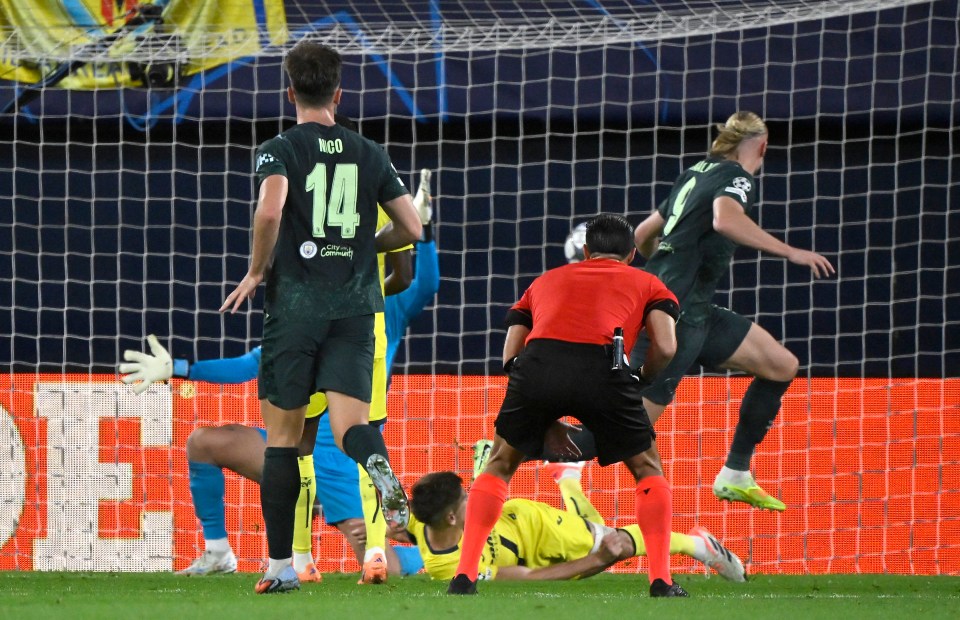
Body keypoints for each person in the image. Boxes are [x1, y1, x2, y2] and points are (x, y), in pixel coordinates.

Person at [122, 167, 439, 586]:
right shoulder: (370, 290)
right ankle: (222, 551)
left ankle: (308, 563)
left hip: (332, 461)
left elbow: (417, 284)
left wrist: (261, 273)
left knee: (294, 452)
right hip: (346, 443)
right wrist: (421, 229)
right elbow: (412, 278)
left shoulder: (311, 252)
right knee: (207, 442)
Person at [219, 41, 422, 593]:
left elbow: (269, 208)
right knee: (352, 427)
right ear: (338, 92)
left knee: (284, 441)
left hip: (297, 309)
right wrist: (364, 247)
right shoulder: (369, 151)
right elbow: (412, 229)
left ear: (290, 92)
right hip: (356, 309)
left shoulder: (280, 148)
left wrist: (258, 270)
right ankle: (382, 474)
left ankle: (282, 567)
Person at [447, 213, 687, 598]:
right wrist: (640, 378)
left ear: (587, 251)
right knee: (646, 468)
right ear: (631, 255)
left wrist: (544, 415)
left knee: (499, 463)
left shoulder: (545, 281)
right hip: (606, 368)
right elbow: (668, 346)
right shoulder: (649, 282)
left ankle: (464, 577)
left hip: (538, 366)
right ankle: (660, 580)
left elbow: (510, 354)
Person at [632, 111, 835, 512]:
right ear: (762, 145)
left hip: (694, 308)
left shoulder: (696, 172)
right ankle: (515, 450)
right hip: (675, 315)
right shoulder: (737, 178)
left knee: (780, 364)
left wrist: (664, 270)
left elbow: (641, 235)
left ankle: (735, 474)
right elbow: (725, 220)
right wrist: (791, 251)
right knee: (626, 430)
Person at [405, 462, 745, 582]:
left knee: (620, 542)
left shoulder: (425, 520)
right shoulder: (449, 565)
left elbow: (392, 519)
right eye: (467, 499)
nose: (474, 500)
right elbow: (529, 577)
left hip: (543, 532)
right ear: (449, 518)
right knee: (602, 539)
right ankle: (567, 478)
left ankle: (700, 545)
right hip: (530, 542)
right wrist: (598, 561)